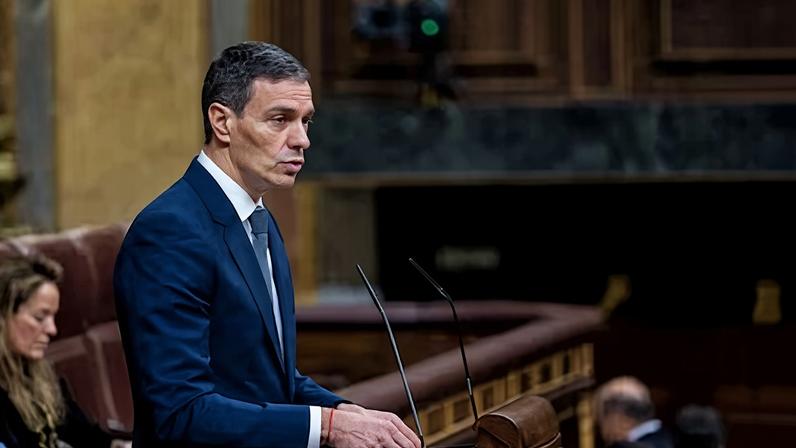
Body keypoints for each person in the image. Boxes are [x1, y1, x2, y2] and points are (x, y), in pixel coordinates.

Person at [113, 41, 422, 448]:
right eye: (280, 120)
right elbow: (180, 411)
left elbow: (266, 379)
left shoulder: (259, 219)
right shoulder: (170, 232)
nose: (302, 140)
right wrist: (327, 427)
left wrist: (343, 411)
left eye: (306, 121)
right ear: (222, 122)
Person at [0, 255, 129, 448]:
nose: (52, 329)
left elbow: (85, 435)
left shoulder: (41, 379)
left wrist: (118, 445)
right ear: (4, 315)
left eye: (53, 316)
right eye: (39, 317)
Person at [593, 376, 673, 448]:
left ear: (618, 417)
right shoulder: (673, 439)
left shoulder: (621, 447)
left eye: (601, 421)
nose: (603, 432)